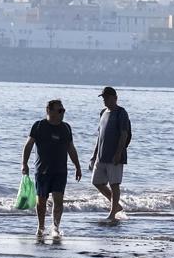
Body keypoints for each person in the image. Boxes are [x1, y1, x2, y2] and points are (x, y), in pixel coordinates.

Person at [22, 99, 82, 239]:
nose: (62, 113)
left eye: (63, 110)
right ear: (49, 111)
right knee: (41, 201)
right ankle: (41, 227)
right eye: (59, 110)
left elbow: (71, 149)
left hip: (60, 171)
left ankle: (55, 227)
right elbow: (29, 145)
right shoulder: (38, 126)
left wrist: (77, 166)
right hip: (42, 171)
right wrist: (24, 163)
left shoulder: (66, 128)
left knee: (58, 200)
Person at [89, 87, 132, 221]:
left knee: (114, 184)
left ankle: (113, 213)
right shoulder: (103, 112)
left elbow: (124, 134)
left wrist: (118, 153)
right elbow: (99, 136)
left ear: (115, 97)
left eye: (107, 97)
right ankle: (117, 206)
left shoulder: (121, 113)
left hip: (115, 156)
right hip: (101, 156)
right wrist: (94, 155)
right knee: (96, 182)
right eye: (103, 97)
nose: (104, 100)